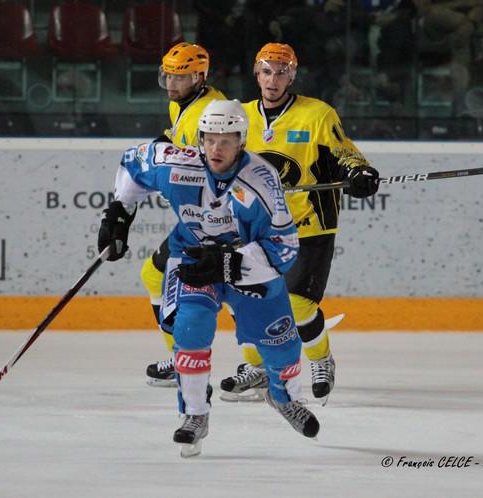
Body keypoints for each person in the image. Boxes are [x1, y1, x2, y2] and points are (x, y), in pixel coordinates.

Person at [98, 99, 319, 457]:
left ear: (242, 141)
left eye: (227, 140)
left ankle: (283, 397)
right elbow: (134, 161)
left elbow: (284, 247)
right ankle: (195, 414)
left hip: (249, 265)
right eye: (210, 139)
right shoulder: (176, 165)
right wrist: (120, 210)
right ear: (200, 138)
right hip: (192, 258)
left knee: (282, 344)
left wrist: (231, 264)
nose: (217, 148)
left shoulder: (262, 180)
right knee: (190, 329)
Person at [219, 43, 379, 405]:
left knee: (298, 305)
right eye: (266, 71)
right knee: (244, 301)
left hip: (309, 224)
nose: (273, 79)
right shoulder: (240, 115)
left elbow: (344, 153)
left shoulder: (316, 114)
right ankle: (258, 367)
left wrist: (358, 172)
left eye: (281, 72)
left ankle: (321, 359)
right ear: (255, 74)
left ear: (292, 75)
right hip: (255, 227)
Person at [141, 42, 226, 387]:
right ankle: (181, 359)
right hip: (197, 217)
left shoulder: (211, 112)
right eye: (169, 77)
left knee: (236, 292)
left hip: (216, 219)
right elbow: (176, 141)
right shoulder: (183, 105)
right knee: (153, 274)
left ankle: (262, 368)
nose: (172, 85)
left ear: (200, 76)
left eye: (181, 78)